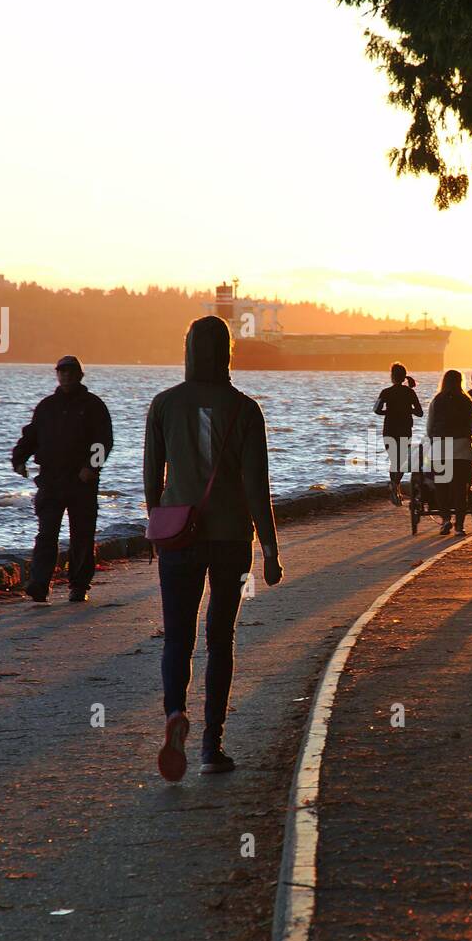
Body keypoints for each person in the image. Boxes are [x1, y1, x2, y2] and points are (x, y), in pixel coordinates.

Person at [144, 316, 283, 780]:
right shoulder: (246, 410)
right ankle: (211, 745)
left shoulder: (163, 405)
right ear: (227, 351)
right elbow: (255, 485)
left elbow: (152, 477)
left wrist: (157, 524)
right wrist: (270, 548)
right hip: (231, 541)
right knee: (220, 638)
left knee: (177, 635)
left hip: (178, 537)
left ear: (188, 350)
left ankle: (173, 714)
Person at [11, 355, 113, 603]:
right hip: (51, 480)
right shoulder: (47, 406)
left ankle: (79, 586)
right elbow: (31, 436)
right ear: (57, 374)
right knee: (46, 534)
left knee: (82, 535)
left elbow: (104, 441)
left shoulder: (93, 405)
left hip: (82, 482)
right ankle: (39, 584)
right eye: (62, 371)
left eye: (70, 371)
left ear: (80, 375)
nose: (66, 375)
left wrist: (92, 467)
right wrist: (19, 459)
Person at [424, 369, 472, 535]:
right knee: (460, 489)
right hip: (461, 450)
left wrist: (434, 437)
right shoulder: (466, 401)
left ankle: (446, 519)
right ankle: (460, 526)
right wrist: (466, 435)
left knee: (441, 487)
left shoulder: (437, 400)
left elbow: (430, 426)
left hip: (441, 449)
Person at [373, 363, 423, 505]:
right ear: (404, 377)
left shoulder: (386, 392)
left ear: (392, 376)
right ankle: (395, 488)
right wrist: (408, 410)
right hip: (405, 430)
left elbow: (376, 409)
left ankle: (395, 489)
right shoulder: (410, 393)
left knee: (394, 460)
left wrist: (387, 412)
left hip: (389, 430)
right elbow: (420, 413)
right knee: (400, 462)